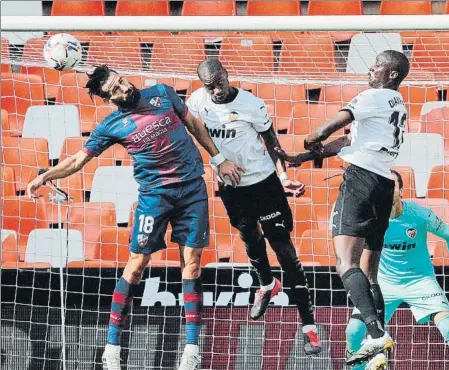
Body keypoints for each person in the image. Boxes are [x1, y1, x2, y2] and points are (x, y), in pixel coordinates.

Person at [26, 65, 243, 370]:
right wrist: (45, 176)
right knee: (137, 265)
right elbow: (77, 159)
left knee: (192, 264)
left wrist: (218, 159)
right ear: (106, 98)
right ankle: (112, 346)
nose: (124, 88)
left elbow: (193, 122)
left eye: (122, 81)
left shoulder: (162, 93)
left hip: (193, 190)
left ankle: (191, 348)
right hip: (155, 197)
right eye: (115, 89)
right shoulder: (111, 125)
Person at [277, 50, 412, 369]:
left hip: (360, 183)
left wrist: (313, 137)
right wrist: (306, 158)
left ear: (391, 74)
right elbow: (352, 140)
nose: (371, 68)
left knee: (345, 262)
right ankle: (379, 345)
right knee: (369, 273)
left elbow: (338, 123)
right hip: (383, 184)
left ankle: (377, 335)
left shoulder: (373, 96)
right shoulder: (398, 104)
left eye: (377, 65)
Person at [185, 58, 321, 355]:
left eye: (219, 83)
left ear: (227, 75)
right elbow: (196, 132)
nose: (216, 91)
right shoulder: (196, 102)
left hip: (264, 184)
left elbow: (271, 141)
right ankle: (266, 284)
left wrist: (283, 175)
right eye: (210, 87)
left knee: (284, 249)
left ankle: (309, 325)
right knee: (249, 237)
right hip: (231, 187)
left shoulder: (251, 104)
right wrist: (219, 162)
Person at [345, 169, 449, 370]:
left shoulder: (420, 216)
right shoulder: (371, 218)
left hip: (420, 280)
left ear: (401, 191)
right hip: (384, 283)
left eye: (392, 185)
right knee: (353, 331)